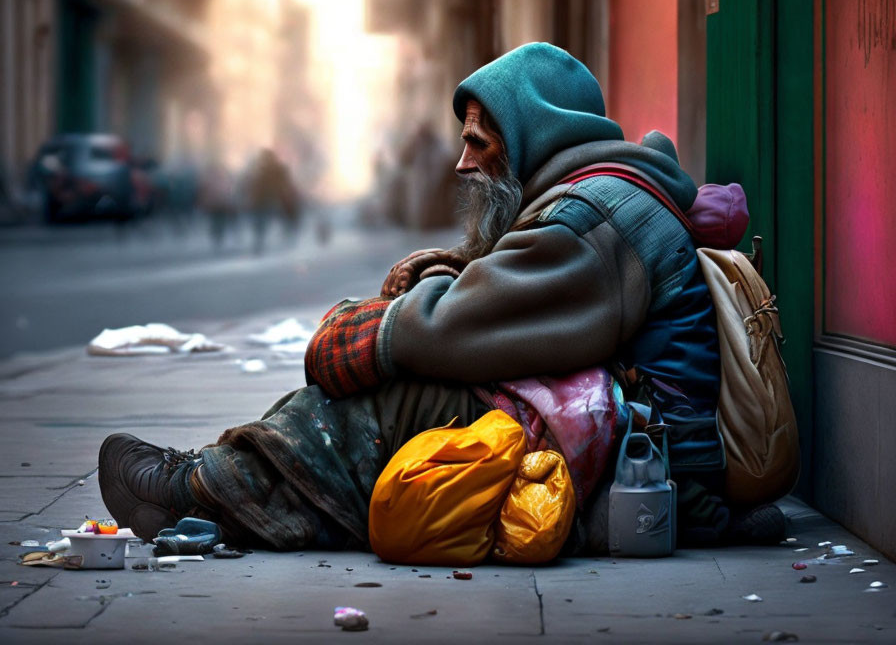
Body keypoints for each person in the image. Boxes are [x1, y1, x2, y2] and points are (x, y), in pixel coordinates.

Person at [98, 43, 783, 552]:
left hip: (655, 469)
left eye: (479, 143)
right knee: (405, 397)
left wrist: (378, 326)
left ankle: (200, 490)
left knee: (401, 392)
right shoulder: (595, 201)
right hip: (627, 434)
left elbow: (453, 331)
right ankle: (229, 486)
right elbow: (498, 302)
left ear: (529, 141)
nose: (462, 162)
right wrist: (443, 273)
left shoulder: (593, 220)